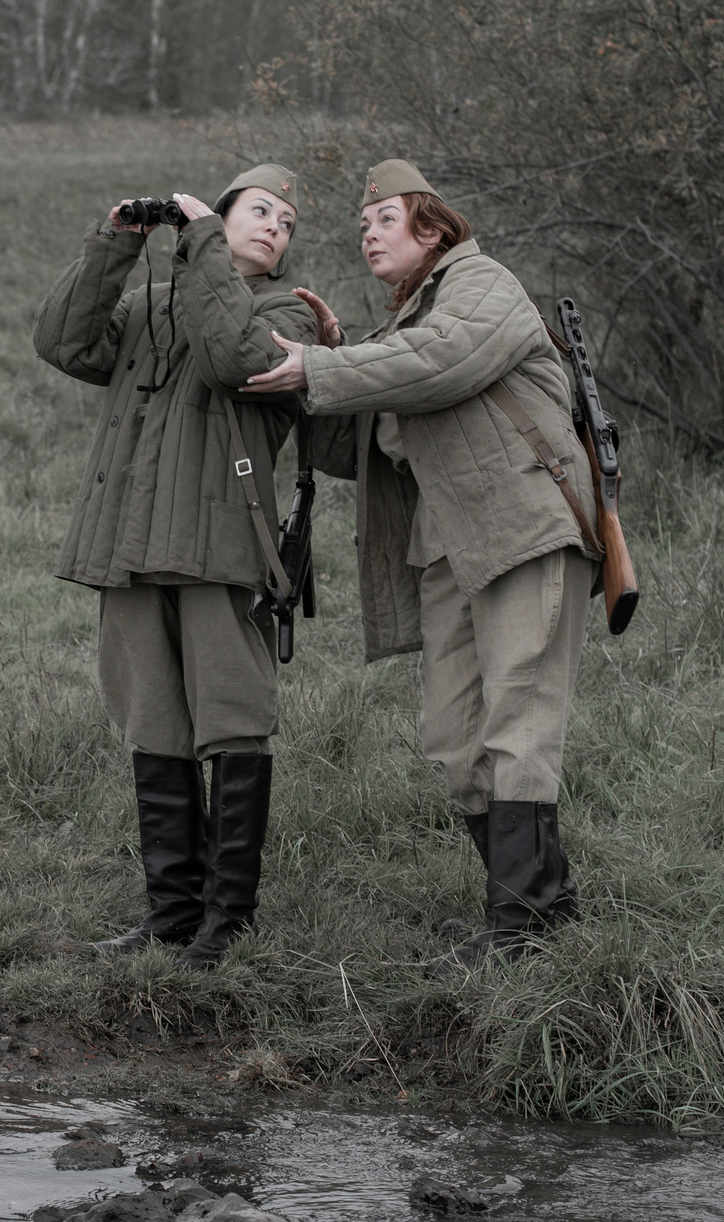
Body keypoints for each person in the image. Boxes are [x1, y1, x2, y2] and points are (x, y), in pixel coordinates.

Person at [246, 160, 597, 970]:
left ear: (433, 230)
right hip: (446, 547)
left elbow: (444, 361)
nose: (368, 234)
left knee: (519, 723)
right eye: (362, 227)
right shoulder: (399, 329)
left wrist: (326, 370)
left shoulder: (481, 286)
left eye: (385, 222)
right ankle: (545, 909)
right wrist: (331, 361)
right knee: (453, 739)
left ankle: (519, 928)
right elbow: (354, 447)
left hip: (522, 525)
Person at [32, 165, 321, 970]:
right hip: (129, 547)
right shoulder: (151, 305)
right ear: (222, 215)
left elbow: (233, 357)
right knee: (153, 724)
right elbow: (63, 341)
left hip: (219, 549)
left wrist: (200, 246)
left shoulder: (285, 313)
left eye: (288, 222)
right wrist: (115, 244)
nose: (275, 227)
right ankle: (170, 915)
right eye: (259, 211)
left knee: (231, 722)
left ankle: (228, 923)